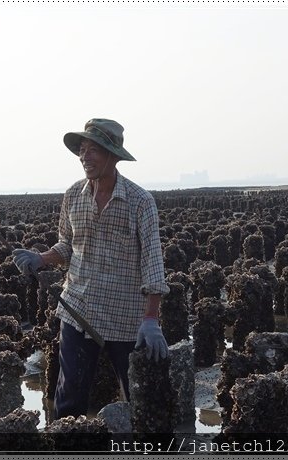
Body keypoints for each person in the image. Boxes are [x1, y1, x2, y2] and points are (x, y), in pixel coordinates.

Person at [12, 118, 170, 419]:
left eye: (93, 149)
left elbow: (153, 261)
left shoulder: (140, 202)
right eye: (82, 150)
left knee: (141, 398)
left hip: (125, 317)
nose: (85, 156)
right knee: (69, 397)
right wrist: (41, 258)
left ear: (113, 154)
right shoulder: (73, 195)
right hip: (78, 310)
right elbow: (68, 245)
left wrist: (151, 318)